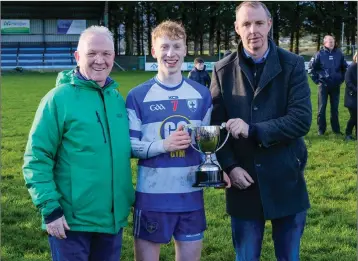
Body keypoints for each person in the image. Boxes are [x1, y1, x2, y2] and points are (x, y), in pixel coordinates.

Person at [210, 2, 312, 261]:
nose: (252, 30)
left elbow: (301, 120)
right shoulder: (221, 71)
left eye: (258, 23)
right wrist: (231, 167)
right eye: (246, 24)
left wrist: (253, 129)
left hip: (286, 177)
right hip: (243, 182)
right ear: (236, 28)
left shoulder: (293, 64)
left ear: (269, 24)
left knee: (289, 256)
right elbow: (216, 128)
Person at [22, 26, 135, 261]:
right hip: (71, 223)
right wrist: (50, 209)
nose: (99, 60)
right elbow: (36, 158)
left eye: (106, 54)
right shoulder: (58, 98)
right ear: (77, 56)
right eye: (92, 53)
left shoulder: (116, 99)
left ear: (114, 56)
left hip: (111, 221)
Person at [126, 20, 229, 261]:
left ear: (185, 51)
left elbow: (207, 146)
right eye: (164, 47)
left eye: (176, 47)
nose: (170, 54)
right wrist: (165, 145)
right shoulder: (137, 96)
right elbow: (130, 146)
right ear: (153, 51)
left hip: (190, 197)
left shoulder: (201, 95)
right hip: (152, 198)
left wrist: (217, 168)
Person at [308, 35, 348, 136]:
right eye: (329, 41)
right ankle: (321, 130)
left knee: (335, 109)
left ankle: (336, 130)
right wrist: (317, 81)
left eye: (333, 41)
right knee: (322, 108)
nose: (332, 43)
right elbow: (311, 68)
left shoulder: (339, 54)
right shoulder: (319, 54)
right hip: (323, 86)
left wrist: (341, 79)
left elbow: (345, 68)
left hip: (335, 86)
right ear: (324, 43)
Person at [344, 51, 357, 141]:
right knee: (354, 116)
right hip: (352, 97)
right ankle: (348, 134)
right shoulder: (352, 67)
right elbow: (348, 82)